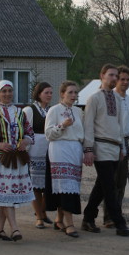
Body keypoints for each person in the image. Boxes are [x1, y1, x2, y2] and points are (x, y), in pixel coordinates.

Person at [0, 80, 33, 242]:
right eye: (4, 91)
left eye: (10, 91)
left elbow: (29, 132)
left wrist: (26, 141)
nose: (8, 94)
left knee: (6, 194)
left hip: (15, 159)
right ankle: (14, 228)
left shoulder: (20, 112)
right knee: (5, 194)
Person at [81, 64, 129, 236]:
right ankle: (119, 222)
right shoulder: (93, 98)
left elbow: (120, 125)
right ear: (102, 75)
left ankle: (88, 217)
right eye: (111, 75)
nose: (114, 78)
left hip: (114, 147)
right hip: (100, 146)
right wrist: (88, 149)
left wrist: (122, 147)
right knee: (109, 186)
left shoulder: (117, 99)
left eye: (116, 75)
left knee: (101, 186)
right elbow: (88, 126)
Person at [103, 65, 129, 228]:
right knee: (109, 182)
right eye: (122, 79)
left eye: (128, 80)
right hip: (110, 143)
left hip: (125, 142)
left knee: (121, 182)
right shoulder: (109, 98)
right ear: (115, 79)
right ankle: (108, 217)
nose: (125, 82)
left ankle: (117, 214)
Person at [44, 81, 84, 238]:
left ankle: (59, 219)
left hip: (75, 150)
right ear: (62, 94)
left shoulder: (78, 111)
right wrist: (62, 125)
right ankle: (69, 223)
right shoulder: (54, 110)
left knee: (70, 186)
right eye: (70, 92)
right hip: (60, 149)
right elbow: (48, 134)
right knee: (64, 185)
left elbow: (83, 133)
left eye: (75, 93)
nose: (74, 96)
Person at [23, 82, 54, 229]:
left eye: (50, 93)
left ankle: (42, 212)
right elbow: (25, 131)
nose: (49, 95)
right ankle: (39, 217)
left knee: (47, 184)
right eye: (46, 92)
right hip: (34, 150)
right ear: (39, 93)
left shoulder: (52, 110)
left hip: (49, 149)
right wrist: (25, 151)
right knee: (35, 185)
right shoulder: (29, 110)